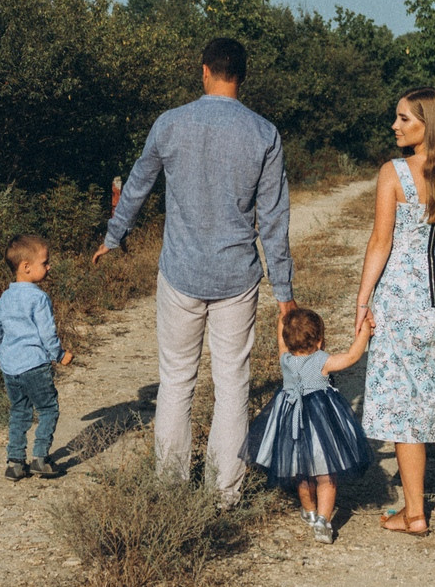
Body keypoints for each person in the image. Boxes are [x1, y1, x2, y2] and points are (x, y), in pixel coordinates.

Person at [93, 37, 297, 504]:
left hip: (180, 273)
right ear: (242, 76)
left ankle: (170, 486)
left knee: (177, 379)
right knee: (232, 385)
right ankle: (224, 495)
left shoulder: (170, 123)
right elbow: (274, 220)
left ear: (204, 71)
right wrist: (284, 292)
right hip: (237, 278)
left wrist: (113, 236)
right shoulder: (264, 134)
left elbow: (139, 182)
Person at [355, 87, 435, 535]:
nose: (395, 126)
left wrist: (362, 299)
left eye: (404, 119)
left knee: (406, 406)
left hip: (403, 305)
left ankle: (414, 514)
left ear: (429, 124)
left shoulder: (394, 174)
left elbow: (380, 242)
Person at [241, 306, 374, 543]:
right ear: (320, 340)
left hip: (293, 423)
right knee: (326, 475)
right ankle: (324, 519)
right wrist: (364, 331)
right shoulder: (322, 360)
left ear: (287, 340)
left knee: (302, 474)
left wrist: (282, 319)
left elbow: (282, 341)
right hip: (321, 423)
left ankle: (310, 512)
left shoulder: (286, 360)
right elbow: (353, 356)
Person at [0, 233, 70, 481]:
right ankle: (40, 459)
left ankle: (15, 463)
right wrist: (60, 354)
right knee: (48, 408)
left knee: (19, 411)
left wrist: (0, 348)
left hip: (10, 366)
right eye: (45, 263)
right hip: (34, 365)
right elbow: (48, 334)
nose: (49, 267)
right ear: (26, 267)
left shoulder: (5, 297)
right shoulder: (38, 297)